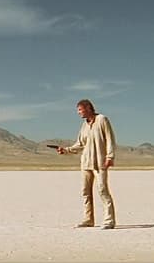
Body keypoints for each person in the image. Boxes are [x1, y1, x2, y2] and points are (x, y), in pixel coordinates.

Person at [58, 99, 117, 230]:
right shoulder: (84, 125)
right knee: (86, 192)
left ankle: (109, 220)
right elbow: (80, 144)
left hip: (99, 162)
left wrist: (110, 157)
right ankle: (88, 219)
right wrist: (66, 150)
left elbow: (110, 139)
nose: (79, 113)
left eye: (80, 110)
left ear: (88, 108)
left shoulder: (102, 120)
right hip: (86, 163)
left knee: (102, 190)